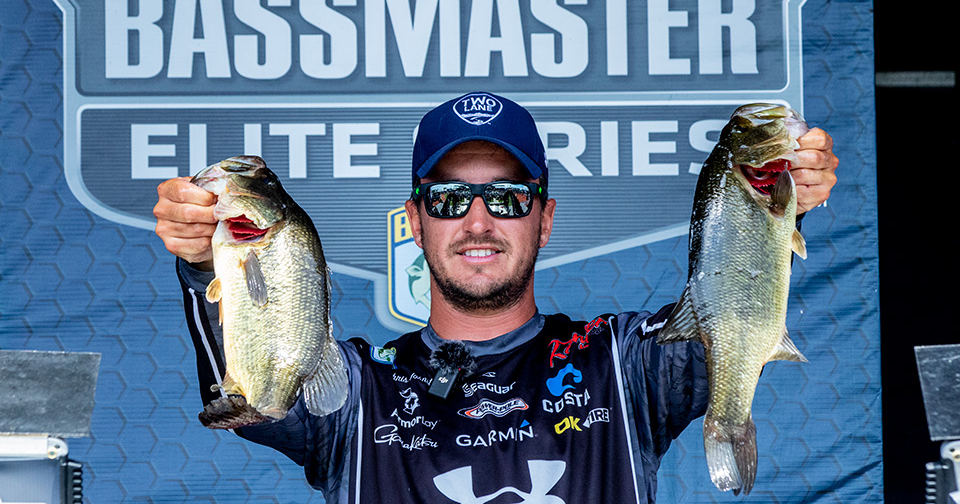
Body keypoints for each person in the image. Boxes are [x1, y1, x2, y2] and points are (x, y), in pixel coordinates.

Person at [154, 92, 838, 503]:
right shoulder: (355, 392)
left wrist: (777, 209)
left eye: (507, 197)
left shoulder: (628, 366)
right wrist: (200, 263)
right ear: (415, 223)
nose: (478, 220)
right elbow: (252, 396)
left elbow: (729, 301)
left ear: (544, 218)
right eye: (450, 199)